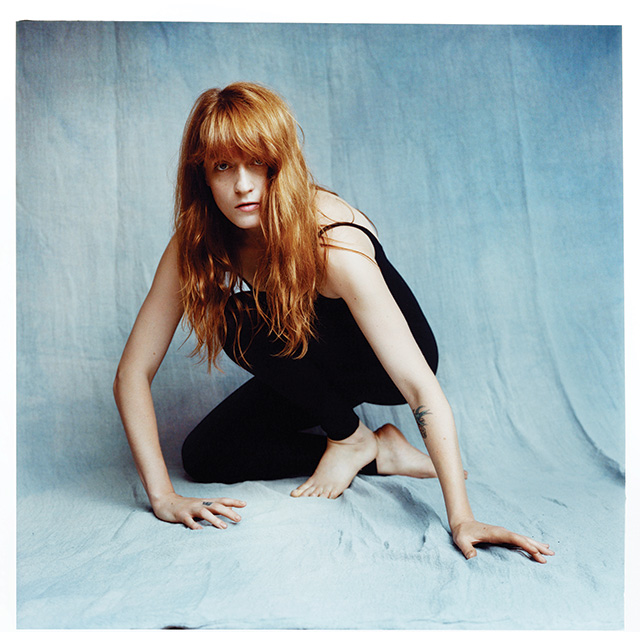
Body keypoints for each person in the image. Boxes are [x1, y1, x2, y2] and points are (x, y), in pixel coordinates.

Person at [113, 81, 554, 563]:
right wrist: (163, 497)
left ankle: (347, 436)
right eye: (223, 166)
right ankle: (371, 447)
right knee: (206, 454)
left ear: (280, 164)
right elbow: (133, 372)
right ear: (202, 174)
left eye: (256, 162)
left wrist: (462, 516)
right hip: (311, 354)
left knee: (240, 317)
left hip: (383, 366)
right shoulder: (199, 240)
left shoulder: (333, 246)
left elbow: (419, 387)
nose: (242, 185)